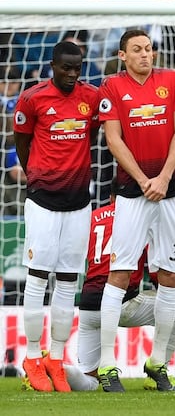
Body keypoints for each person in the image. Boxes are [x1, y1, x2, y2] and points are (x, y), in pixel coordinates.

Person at [97, 29, 175, 392]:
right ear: (122, 55)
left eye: (149, 49)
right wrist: (143, 179)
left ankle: (158, 363)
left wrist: (164, 177)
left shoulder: (172, 80)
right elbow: (113, 138)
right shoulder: (112, 87)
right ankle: (107, 366)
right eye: (137, 50)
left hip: (172, 191)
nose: (145, 55)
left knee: (169, 276)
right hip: (132, 193)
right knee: (119, 274)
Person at [13, 41, 100, 393]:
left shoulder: (91, 98)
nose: (71, 74)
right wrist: (37, 176)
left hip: (79, 202)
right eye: (66, 68)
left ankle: (57, 358)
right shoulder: (33, 98)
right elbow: (22, 142)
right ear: (52, 65)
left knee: (67, 281)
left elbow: (92, 135)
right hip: (43, 201)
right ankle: (32, 356)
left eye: (77, 68)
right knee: (37, 278)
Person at [56, 179, 175, 392]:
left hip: (88, 304)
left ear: (111, 198)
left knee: (88, 382)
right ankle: (157, 369)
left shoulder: (92, 218)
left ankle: (51, 367)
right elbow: (156, 272)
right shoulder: (139, 220)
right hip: (123, 302)